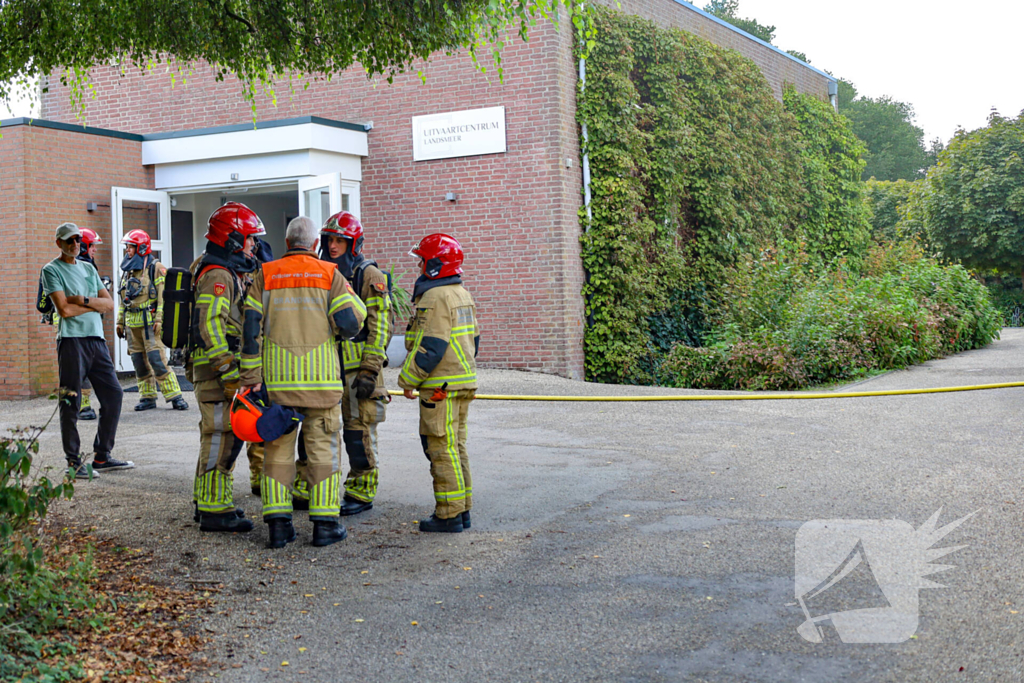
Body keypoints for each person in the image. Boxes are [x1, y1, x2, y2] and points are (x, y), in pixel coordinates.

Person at [240, 216, 366, 549]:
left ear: (286, 243)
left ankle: (279, 527)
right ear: (314, 245)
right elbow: (352, 322)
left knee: (277, 454)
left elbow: (250, 332)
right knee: (323, 452)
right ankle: (325, 526)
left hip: (278, 387)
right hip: (321, 387)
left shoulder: (264, 276)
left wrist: (251, 378)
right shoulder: (329, 274)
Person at [305, 211, 391, 516]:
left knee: (359, 432)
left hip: (358, 373)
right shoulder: (323, 272)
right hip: (326, 370)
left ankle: (361, 491)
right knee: (318, 429)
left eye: (340, 240)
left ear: (353, 243)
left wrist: (370, 368)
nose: (333, 246)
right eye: (330, 239)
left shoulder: (369, 274)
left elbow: (380, 325)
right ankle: (308, 487)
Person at [187, 202, 266, 533]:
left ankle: (205, 501)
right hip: (215, 373)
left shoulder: (218, 268)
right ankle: (214, 510)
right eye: (249, 240)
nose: (253, 247)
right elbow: (211, 327)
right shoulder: (218, 275)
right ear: (232, 240)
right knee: (221, 437)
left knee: (216, 437)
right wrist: (230, 374)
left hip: (214, 372)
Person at [398, 234, 480, 533]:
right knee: (456, 446)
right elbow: (476, 341)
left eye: (422, 260)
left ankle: (448, 515)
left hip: (439, 387)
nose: (418, 265)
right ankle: (463, 509)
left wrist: (407, 380)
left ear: (434, 265)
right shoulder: (462, 294)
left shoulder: (434, 297)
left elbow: (429, 347)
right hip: (462, 382)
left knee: (440, 448)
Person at [41, 222, 129, 477]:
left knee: (114, 395)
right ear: (59, 243)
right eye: (69, 240)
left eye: (78, 240)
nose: (75, 244)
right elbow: (64, 311)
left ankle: (102, 456)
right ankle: (73, 462)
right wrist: (94, 305)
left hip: (96, 340)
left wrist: (82, 300)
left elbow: (110, 305)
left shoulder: (88, 268)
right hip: (71, 341)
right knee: (72, 401)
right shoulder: (51, 270)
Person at [116, 229, 188, 412]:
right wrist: (120, 322)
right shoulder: (128, 271)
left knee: (157, 360)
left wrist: (160, 319)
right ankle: (147, 397)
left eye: (130, 247)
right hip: (133, 326)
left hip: (150, 325)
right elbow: (123, 298)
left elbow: (163, 297)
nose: (127, 251)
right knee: (138, 362)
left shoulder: (155, 268)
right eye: (127, 247)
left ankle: (175, 396)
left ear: (141, 247)